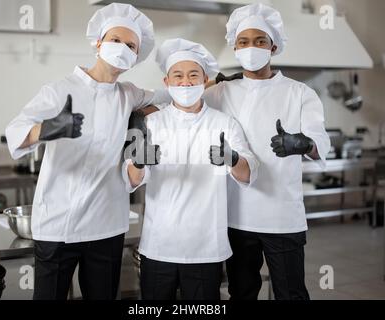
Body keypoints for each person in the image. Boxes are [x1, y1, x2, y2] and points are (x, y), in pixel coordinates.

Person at [5, 3, 169, 300]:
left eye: (130, 45)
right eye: (115, 40)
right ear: (98, 43)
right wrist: (48, 128)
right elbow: (16, 130)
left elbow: (174, 95)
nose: (122, 48)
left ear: (135, 57)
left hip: (106, 224)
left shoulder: (128, 93)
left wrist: (215, 84)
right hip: (58, 223)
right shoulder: (58, 91)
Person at [204, 3, 331, 300]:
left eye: (260, 41)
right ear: (235, 48)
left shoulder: (299, 93)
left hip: (281, 216)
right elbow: (176, 100)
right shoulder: (220, 92)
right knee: (241, 292)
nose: (252, 48)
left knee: (291, 293)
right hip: (235, 215)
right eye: (244, 42)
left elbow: (320, 143)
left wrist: (303, 143)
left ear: (273, 46)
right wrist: (212, 81)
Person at [123, 38, 259, 300]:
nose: (185, 82)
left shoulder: (225, 124)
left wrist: (232, 160)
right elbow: (129, 180)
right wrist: (139, 162)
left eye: (193, 75)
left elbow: (250, 173)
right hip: (158, 244)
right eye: (178, 76)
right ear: (167, 82)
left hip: (205, 246)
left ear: (204, 79)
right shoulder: (150, 123)